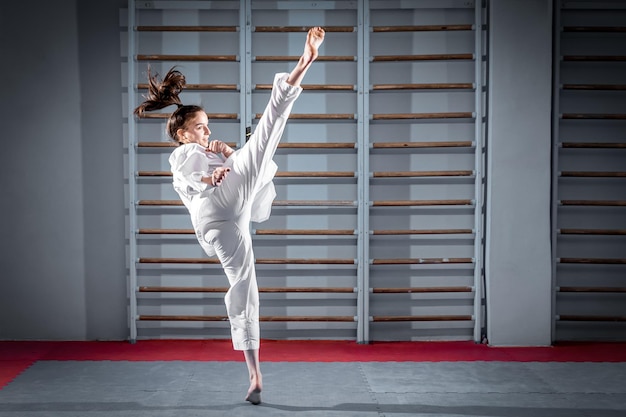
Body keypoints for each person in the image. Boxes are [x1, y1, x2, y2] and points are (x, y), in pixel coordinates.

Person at [134, 27, 325, 405]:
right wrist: (215, 171)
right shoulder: (184, 152)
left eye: (207, 126)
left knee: (245, 288)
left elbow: (232, 165)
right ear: (184, 133)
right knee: (266, 133)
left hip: (227, 223)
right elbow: (190, 174)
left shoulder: (211, 150)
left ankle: (254, 375)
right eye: (200, 127)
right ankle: (304, 62)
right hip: (215, 205)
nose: (206, 131)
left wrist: (227, 154)